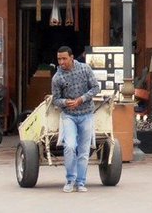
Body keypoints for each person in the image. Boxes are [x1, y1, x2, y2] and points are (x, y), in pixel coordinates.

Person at [51, 45, 101, 193]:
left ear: (72, 57)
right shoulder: (57, 77)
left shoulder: (85, 69)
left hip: (86, 114)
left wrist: (81, 99)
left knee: (84, 150)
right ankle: (70, 179)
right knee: (70, 146)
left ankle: (81, 182)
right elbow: (55, 99)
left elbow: (96, 88)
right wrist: (66, 102)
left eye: (64, 58)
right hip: (69, 116)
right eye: (59, 59)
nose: (61, 62)